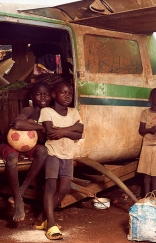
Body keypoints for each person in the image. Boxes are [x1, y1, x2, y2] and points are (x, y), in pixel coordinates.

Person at [37, 81, 83, 240]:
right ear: (53, 95)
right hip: (53, 154)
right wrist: (72, 129)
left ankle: (41, 218)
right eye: (63, 93)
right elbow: (50, 132)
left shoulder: (74, 112)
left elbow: (80, 133)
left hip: (68, 155)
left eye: (69, 93)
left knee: (64, 188)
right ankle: (50, 223)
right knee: (50, 186)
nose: (67, 96)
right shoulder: (46, 111)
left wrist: (63, 130)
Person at [0, 82, 51, 221]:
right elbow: (17, 124)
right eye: (38, 94)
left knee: (42, 150)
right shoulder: (29, 110)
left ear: (51, 96)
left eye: (46, 94)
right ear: (32, 96)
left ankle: (21, 191)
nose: (42, 97)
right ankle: (18, 201)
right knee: (11, 157)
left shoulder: (49, 114)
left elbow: (41, 140)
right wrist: (39, 127)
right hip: (10, 144)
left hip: (28, 146)